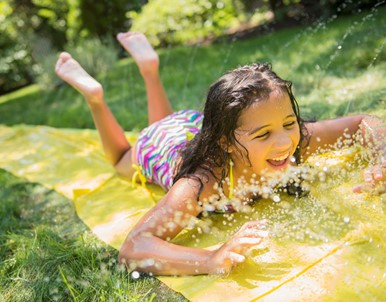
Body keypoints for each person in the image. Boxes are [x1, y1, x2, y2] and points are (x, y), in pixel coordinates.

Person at [55, 31, 386, 276]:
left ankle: (150, 68)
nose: (284, 142)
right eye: (264, 134)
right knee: (120, 159)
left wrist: (381, 156)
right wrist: (210, 257)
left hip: (192, 126)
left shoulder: (293, 139)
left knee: (169, 122)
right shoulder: (203, 184)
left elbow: (362, 122)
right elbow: (133, 248)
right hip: (161, 145)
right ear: (226, 141)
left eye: (288, 123)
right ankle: (95, 97)